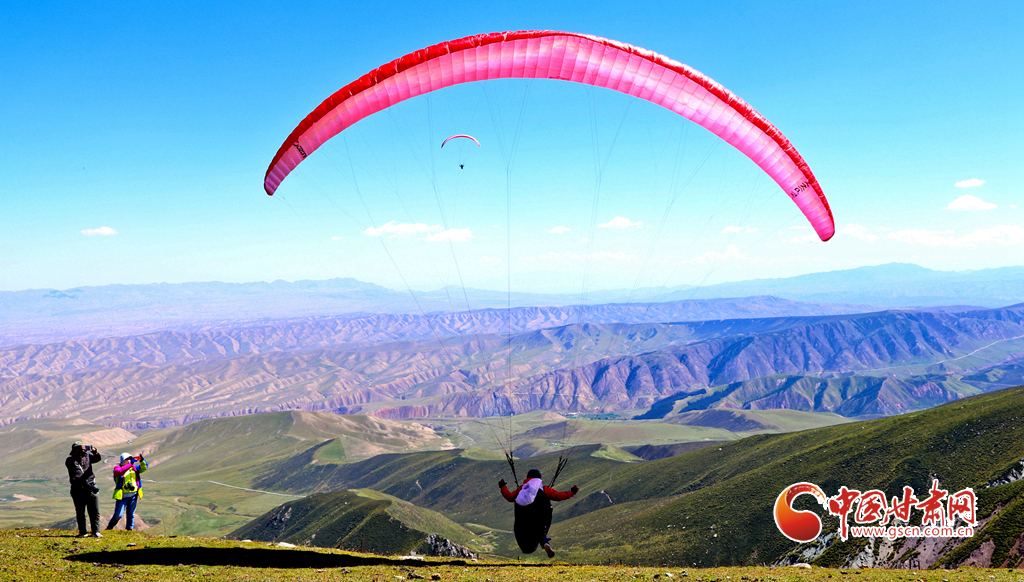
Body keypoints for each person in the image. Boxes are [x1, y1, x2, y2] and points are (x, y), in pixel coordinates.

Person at [499, 468, 579, 558]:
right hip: (540, 517)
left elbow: (509, 497)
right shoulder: (544, 489)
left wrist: (503, 486)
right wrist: (571, 492)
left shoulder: (523, 489)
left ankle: (532, 543)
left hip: (523, 518)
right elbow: (558, 496)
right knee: (540, 529)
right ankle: (545, 543)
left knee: (527, 529)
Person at [65, 441, 102, 538]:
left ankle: (96, 532)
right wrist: (78, 454)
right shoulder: (70, 460)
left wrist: (95, 452)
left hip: (91, 488)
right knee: (80, 512)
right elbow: (73, 468)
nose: (83, 450)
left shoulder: (88, 457)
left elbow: (98, 458)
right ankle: (83, 532)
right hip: (78, 489)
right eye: (80, 448)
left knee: (95, 511)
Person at [105, 452, 148, 531]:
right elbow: (119, 472)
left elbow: (144, 468)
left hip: (133, 495)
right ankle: (110, 527)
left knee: (131, 514)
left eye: (129, 459)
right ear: (122, 460)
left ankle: (129, 529)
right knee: (118, 515)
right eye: (126, 459)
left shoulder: (134, 468)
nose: (128, 460)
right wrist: (130, 464)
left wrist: (142, 461)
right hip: (122, 496)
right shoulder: (117, 468)